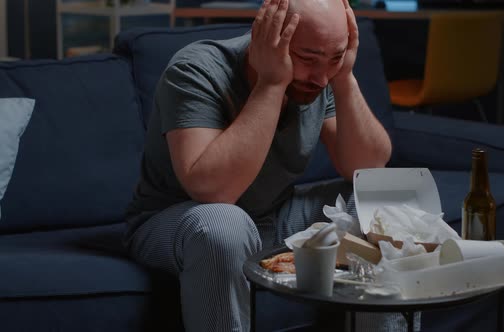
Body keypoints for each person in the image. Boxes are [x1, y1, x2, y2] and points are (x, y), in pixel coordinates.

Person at [123, 0, 402, 330]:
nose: (320, 77)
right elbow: (213, 190)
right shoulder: (196, 70)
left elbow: (367, 165)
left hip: (272, 216)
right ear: (266, 37)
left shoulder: (321, 78)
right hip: (179, 221)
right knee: (224, 225)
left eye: (334, 58)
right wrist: (271, 83)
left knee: (382, 199)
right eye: (308, 59)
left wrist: (345, 78)